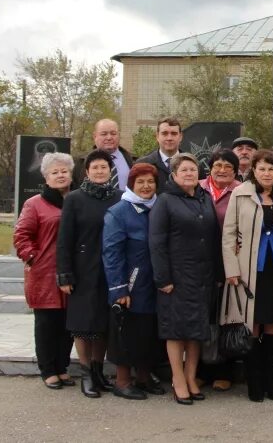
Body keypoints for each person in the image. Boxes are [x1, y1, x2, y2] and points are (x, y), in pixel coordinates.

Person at [222, 150, 273, 402]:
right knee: (252, 325)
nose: (267, 173)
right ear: (253, 171)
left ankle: (271, 381)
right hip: (248, 271)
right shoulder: (241, 194)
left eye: (271, 168)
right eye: (262, 169)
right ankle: (254, 382)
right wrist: (232, 269)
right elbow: (228, 234)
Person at [149, 153, 222, 405]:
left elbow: (214, 238)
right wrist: (163, 278)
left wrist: (218, 273)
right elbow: (156, 243)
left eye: (193, 170)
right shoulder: (165, 201)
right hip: (177, 277)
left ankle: (192, 378)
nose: (190, 174)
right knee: (176, 330)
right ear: (174, 175)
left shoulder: (204, 198)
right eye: (184, 170)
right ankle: (178, 379)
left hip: (203, 276)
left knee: (197, 331)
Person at [56, 149, 121, 398]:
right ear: (87, 172)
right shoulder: (74, 199)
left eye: (104, 167)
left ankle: (98, 371)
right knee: (83, 324)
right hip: (83, 270)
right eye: (95, 168)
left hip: (110, 268)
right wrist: (64, 273)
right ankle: (85, 373)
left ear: (110, 170)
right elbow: (65, 240)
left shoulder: (119, 197)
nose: (100, 171)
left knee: (103, 324)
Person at [14, 152, 76, 390]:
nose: (60, 176)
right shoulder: (35, 204)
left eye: (64, 171)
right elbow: (22, 236)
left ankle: (62, 367)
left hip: (71, 272)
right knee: (47, 324)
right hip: (45, 273)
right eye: (55, 172)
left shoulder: (76, 199)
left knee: (67, 325)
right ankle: (48, 369)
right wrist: (33, 258)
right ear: (46, 177)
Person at [102, 163, 164, 400]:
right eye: (141, 182)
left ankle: (144, 377)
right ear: (131, 185)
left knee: (148, 331)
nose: (146, 186)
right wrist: (118, 288)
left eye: (150, 182)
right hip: (131, 283)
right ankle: (122, 380)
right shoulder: (119, 212)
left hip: (155, 282)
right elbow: (112, 252)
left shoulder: (159, 207)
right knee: (126, 332)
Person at [199, 148, 242, 391]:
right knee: (204, 317)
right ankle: (201, 371)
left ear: (236, 171)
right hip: (200, 262)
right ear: (210, 167)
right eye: (218, 165)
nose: (222, 170)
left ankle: (225, 370)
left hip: (230, 262)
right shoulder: (197, 188)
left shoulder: (241, 191)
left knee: (227, 317)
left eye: (228, 166)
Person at [76, 119, 135, 190]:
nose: (109, 138)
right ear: (95, 136)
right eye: (104, 134)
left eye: (113, 133)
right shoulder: (80, 163)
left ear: (119, 135)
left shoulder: (134, 161)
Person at [135, 117, 183, 185]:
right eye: (164, 133)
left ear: (180, 137)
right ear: (157, 136)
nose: (169, 138)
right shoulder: (142, 164)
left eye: (174, 133)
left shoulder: (193, 165)